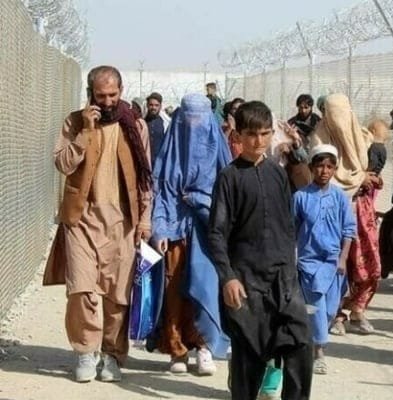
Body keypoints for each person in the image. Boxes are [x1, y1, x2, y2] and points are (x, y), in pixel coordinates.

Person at [43, 65, 152, 382]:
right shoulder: (75, 122)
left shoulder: (135, 125)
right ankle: (85, 351)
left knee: (117, 296)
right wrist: (85, 132)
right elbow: (63, 163)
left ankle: (112, 355)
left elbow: (145, 177)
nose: (107, 102)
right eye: (101, 96)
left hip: (122, 223)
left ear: (121, 91)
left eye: (113, 95)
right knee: (81, 290)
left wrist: (145, 219)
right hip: (81, 221)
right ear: (90, 93)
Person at [208, 101, 313, 400]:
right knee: (248, 358)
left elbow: (287, 225)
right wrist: (228, 277)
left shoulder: (277, 174)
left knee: (300, 343)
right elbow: (216, 233)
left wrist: (291, 271)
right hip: (246, 281)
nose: (259, 141)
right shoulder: (229, 177)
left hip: (283, 279)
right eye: (252, 134)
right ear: (238, 135)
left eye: (265, 134)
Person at [151, 93, 232, 375]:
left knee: (205, 287)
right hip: (174, 230)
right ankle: (177, 350)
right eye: (188, 118)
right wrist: (160, 228)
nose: (194, 125)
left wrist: (199, 200)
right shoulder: (170, 149)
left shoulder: (219, 151)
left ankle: (205, 346)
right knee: (174, 290)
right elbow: (160, 189)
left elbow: (227, 193)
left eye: (200, 119)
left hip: (208, 231)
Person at [309, 93, 382, 335]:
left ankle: (358, 311)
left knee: (368, 262)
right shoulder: (319, 139)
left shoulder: (361, 136)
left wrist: (364, 178)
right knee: (338, 262)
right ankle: (336, 314)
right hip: (332, 211)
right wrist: (359, 179)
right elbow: (323, 177)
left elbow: (362, 166)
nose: (340, 121)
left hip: (361, 209)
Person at [293, 144, 357, 375]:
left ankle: (312, 339)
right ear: (311, 168)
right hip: (309, 263)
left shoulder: (339, 197)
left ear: (335, 169)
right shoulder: (300, 197)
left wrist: (343, 259)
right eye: (320, 166)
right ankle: (319, 352)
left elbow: (348, 230)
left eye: (330, 167)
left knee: (329, 310)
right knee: (318, 307)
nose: (324, 171)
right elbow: (291, 230)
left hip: (334, 263)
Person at [145, 92, 169, 161]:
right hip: (145, 160)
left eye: (156, 105)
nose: (153, 107)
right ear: (147, 105)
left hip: (160, 161)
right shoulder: (143, 122)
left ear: (160, 106)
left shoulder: (165, 123)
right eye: (151, 105)